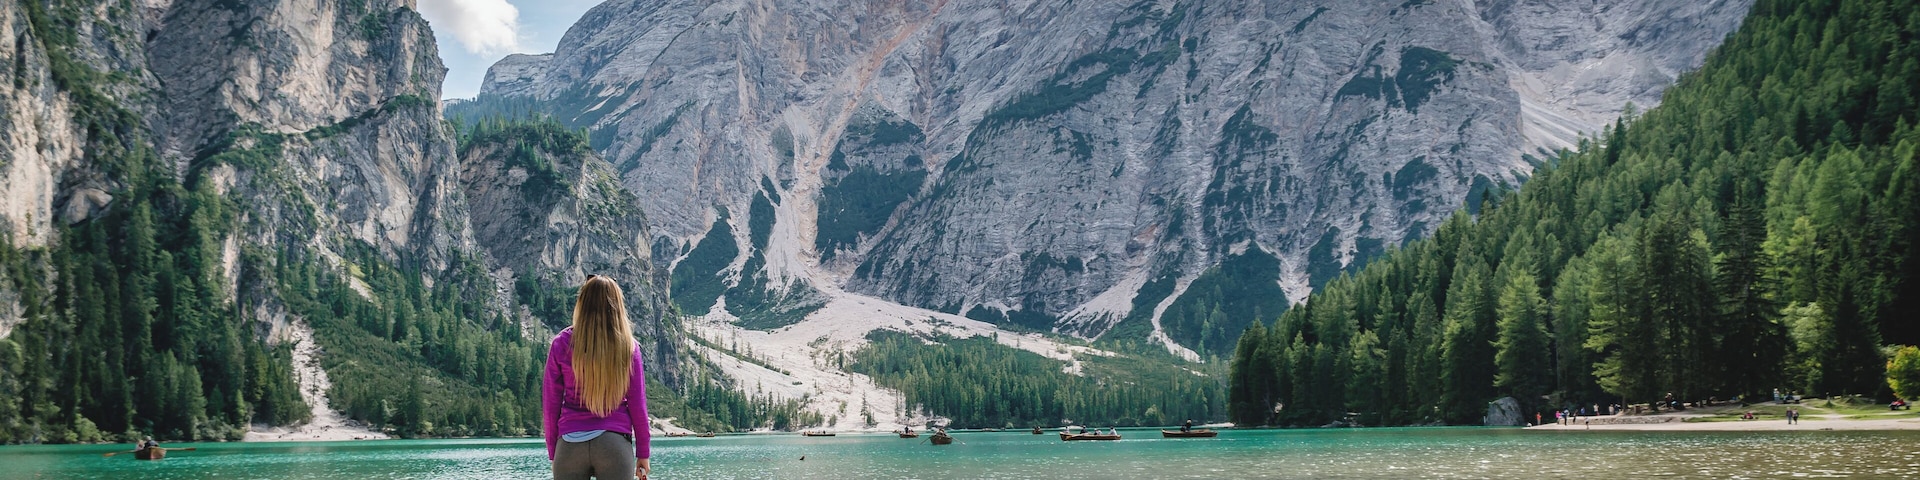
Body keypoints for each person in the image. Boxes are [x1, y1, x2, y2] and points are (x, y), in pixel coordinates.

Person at [545, 276, 651, 480]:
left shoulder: (561, 343)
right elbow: (638, 406)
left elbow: (551, 406)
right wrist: (643, 454)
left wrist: (554, 452)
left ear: (582, 303)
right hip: (614, 445)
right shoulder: (628, 347)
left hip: (569, 446)